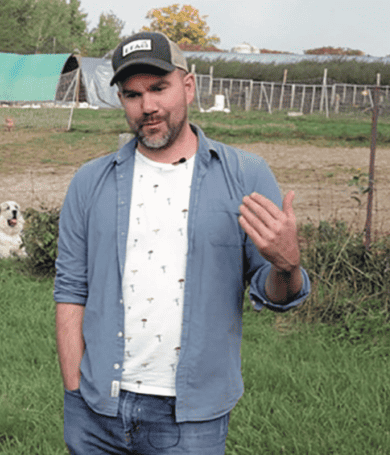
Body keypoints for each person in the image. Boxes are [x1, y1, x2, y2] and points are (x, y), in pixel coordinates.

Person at [54, 32, 310, 455]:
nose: (148, 106)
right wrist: (74, 389)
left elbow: (276, 292)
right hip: (97, 410)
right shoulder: (89, 183)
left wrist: (287, 266)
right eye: (132, 94)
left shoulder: (245, 175)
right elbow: (70, 290)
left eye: (159, 88)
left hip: (191, 420)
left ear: (188, 86)